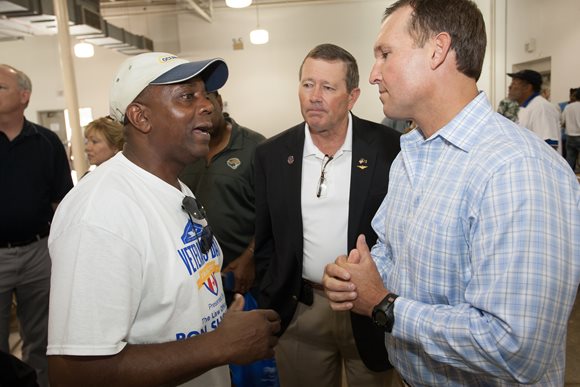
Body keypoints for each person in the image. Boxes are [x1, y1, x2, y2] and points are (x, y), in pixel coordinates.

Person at [323, 1, 580, 386]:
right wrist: (361, 275)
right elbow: (393, 253)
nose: (374, 74)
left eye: (385, 54)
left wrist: (384, 305)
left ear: (438, 50)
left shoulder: (515, 168)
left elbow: (516, 349)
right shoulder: (409, 157)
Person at [47, 52, 280, 387]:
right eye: (187, 96)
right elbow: (75, 374)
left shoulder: (172, 186)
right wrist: (219, 345)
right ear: (141, 117)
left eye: (205, 95)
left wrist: (220, 331)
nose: (207, 106)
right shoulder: (100, 215)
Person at [254, 43, 401, 386]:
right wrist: (271, 298)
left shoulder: (390, 149)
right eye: (307, 84)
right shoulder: (271, 155)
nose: (314, 96)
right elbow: (265, 239)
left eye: (328, 87)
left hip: (369, 309)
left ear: (352, 97)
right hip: (301, 309)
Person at [0, 64, 73, 387]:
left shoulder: (46, 142)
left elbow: (62, 202)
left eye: (1, 87)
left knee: (42, 338)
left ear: (24, 96)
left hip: (38, 253)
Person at [180, 90, 265, 298]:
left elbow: (275, 213)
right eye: (190, 99)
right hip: (196, 278)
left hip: (244, 279)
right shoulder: (181, 149)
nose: (202, 108)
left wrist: (250, 257)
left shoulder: (256, 147)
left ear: (218, 101)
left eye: (207, 97)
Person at [507, 69, 561, 152]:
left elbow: (548, 146)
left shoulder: (541, 107)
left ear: (527, 87)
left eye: (514, 83)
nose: (510, 87)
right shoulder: (526, 108)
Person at [562, 87, 580, 172]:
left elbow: (562, 122)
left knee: (570, 159)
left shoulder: (567, 107)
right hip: (579, 135)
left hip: (569, 136)